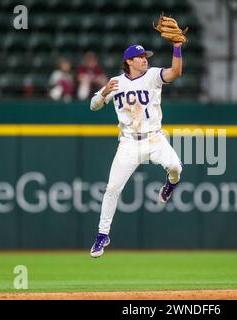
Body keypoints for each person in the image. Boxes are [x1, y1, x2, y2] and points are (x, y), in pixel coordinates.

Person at [89, 42, 184, 258]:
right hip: (129, 142)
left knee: (175, 167)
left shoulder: (152, 76)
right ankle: (102, 234)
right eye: (140, 57)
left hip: (154, 138)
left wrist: (177, 48)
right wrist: (103, 92)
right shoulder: (116, 83)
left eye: (145, 56)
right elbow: (93, 105)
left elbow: (175, 72)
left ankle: (169, 185)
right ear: (129, 62)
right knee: (112, 188)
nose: (145, 59)